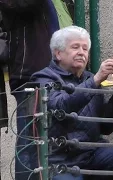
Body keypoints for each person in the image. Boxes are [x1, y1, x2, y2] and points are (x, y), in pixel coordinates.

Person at [31, 25, 113, 180]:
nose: (81, 53)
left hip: (90, 154)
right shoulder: (43, 78)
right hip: (59, 159)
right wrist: (96, 80)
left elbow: (105, 127)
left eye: (85, 49)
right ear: (58, 53)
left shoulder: (89, 78)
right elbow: (60, 106)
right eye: (75, 47)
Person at [0, 1, 74, 179]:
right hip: (29, 73)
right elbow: (24, 5)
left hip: (50, 71)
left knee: (45, 138)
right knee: (29, 139)